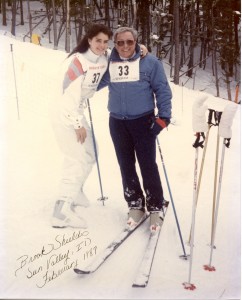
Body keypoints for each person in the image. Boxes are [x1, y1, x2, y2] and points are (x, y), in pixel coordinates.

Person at [98, 27, 172, 233]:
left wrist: (163, 118)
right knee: (125, 164)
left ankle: (156, 205)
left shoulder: (150, 62)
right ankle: (135, 204)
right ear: (115, 44)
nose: (125, 46)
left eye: (129, 42)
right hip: (117, 122)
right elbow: (95, 83)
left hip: (143, 122)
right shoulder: (109, 63)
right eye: (120, 42)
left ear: (136, 42)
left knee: (147, 164)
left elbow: (162, 90)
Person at [51, 24, 113, 228]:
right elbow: (67, 95)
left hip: (76, 111)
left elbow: (124, 53)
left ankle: (75, 192)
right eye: (98, 41)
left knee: (90, 153)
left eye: (105, 42)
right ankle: (60, 211)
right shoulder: (77, 61)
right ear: (89, 40)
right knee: (75, 158)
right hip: (64, 113)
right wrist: (77, 123)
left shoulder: (103, 58)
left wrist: (141, 49)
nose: (102, 46)